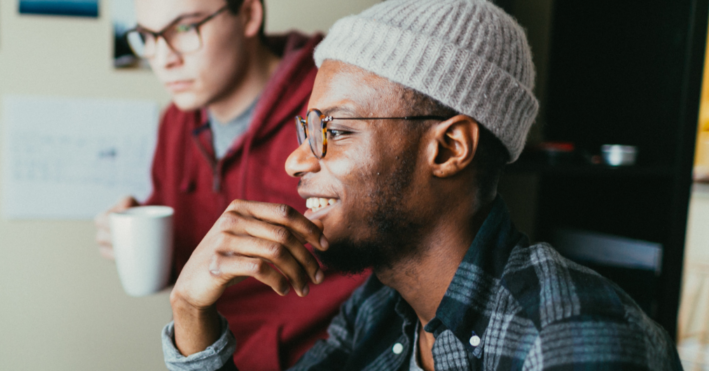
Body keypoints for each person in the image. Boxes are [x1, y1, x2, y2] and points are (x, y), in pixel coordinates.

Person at [161, 0, 684, 370]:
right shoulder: (377, 309)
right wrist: (190, 312)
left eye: (336, 130)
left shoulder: (573, 338)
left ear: (449, 149)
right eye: (308, 130)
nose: (298, 161)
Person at [93, 0, 370, 369]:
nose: (163, 58)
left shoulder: (331, 102)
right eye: (147, 37)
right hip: (216, 355)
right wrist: (139, 240)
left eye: (184, 29)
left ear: (249, 14)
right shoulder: (175, 124)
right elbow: (196, 260)